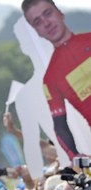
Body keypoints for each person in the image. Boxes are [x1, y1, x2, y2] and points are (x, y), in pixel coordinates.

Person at [22, 0, 91, 161]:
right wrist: (75, 156)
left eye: (48, 13)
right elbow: (60, 126)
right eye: (37, 22)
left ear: (60, 13)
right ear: (36, 31)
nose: (46, 23)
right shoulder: (50, 79)